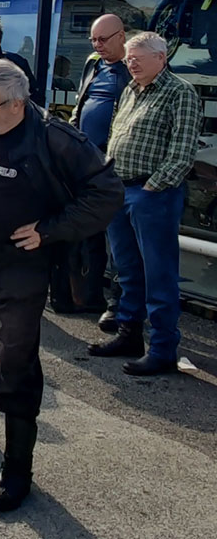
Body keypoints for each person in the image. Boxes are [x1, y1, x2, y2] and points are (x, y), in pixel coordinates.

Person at [0, 60, 121, 512]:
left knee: (15, 360)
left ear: (17, 104)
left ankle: (17, 467)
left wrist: (50, 230)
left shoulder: (54, 137)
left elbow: (106, 192)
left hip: (21, 263)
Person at [88, 30, 201, 376]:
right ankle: (129, 334)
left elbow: (183, 151)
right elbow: (115, 136)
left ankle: (163, 349)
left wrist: (154, 186)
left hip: (153, 194)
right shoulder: (130, 90)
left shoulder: (180, 92)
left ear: (161, 58)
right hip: (120, 190)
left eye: (138, 59)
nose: (131, 64)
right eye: (129, 59)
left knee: (158, 274)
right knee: (126, 270)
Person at [57, 14, 130, 321]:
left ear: (122, 36)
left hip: (114, 163)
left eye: (103, 39)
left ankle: (118, 302)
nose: (97, 45)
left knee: (119, 238)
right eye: (93, 40)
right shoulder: (93, 64)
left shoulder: (132, 69)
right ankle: (88, 294)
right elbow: (81, 104)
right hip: (85, 160)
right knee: (88, 229)